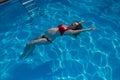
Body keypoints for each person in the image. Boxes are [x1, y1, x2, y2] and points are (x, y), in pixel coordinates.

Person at [19, 20, 96, 59]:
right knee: (33, 43)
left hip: (47, 39)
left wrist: (89, 29)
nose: (73, 23)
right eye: (74, 22)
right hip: (43, 35)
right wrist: (80, 22)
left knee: (28, 43)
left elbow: (79, 30)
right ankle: (31, 52)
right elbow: (75, 24)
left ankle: (23, 54)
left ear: (74, 28)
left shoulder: (69, 31)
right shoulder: (66, 26)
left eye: (74, 25)